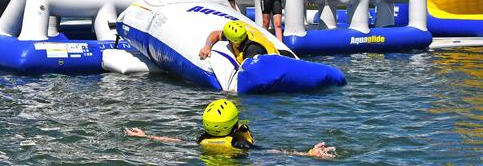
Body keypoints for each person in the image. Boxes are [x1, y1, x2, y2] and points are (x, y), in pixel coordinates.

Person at [124, 99, 336, 158]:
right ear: (234, 123)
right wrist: (307, 154)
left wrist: (146, 136)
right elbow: (272, 152)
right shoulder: (239, 143)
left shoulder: (201, 140)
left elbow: (177, 141)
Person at [198, 20, 286, 63]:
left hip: (277, 59)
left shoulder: (251, 50)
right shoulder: (238, 32)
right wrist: (207, 46)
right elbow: (216, 34)